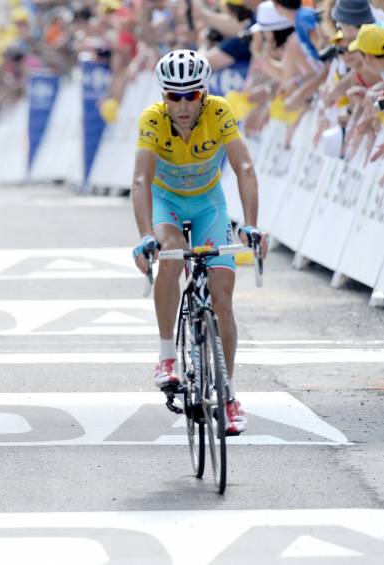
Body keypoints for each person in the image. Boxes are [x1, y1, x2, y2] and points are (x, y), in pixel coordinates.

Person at [130, 49, 267, 435]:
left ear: (204, 93)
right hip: (167, 203)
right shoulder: (152, 120)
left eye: (191, 95)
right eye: (175, 96)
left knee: (222, 300)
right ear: (164, 97)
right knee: (171, 258)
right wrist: (144, 235)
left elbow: (244, 167)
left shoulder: (219, 111)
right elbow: (141, 181)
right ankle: (167, 356)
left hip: (209, 204)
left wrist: (252, 225)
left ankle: (227, 395)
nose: (184, 104)